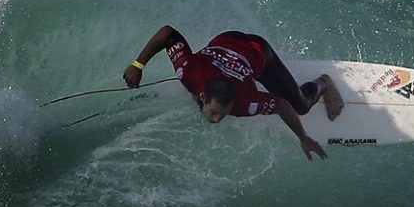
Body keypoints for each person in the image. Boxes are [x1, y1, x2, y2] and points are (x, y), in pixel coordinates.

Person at [122, 25, 344, 159]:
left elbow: (282, 106)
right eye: (216, 112)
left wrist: (303, 137)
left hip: (258, 52)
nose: (218, 120)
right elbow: (166, 33)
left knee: (302, 106)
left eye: (223, 113)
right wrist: (137, 65)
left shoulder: (245, 103)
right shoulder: (188, 70)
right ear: (203, 96)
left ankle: (324, 83)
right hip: (227, 39)